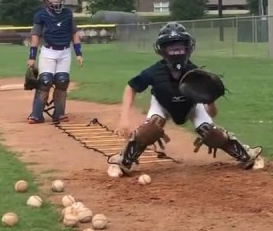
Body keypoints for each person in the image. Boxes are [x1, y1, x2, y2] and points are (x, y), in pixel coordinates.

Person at [108, 21, 261, 174]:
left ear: (188, 48)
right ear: (162, 50)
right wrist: (124, 118)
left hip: (191, 106)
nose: (177, 52)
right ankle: (124, 160)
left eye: (180, 47)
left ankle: (245, 155)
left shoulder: (195, 74)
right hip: (162, 104)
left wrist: (211, 102)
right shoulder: (154, 72)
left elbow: (211, 113)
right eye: (171, 48)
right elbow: (131, 87)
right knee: (150, 129)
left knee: (210, 132)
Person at [26, 0, 83, 124]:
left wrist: (78, 53)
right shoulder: (41, 15)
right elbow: (35, 36)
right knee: (45, 81)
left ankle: (59, 113)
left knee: (62, 81)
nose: (56, 0)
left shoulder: (67, 14)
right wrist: (32, 57)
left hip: (64, 52)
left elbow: (74, 34)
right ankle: (36, 114)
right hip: (48, 51)